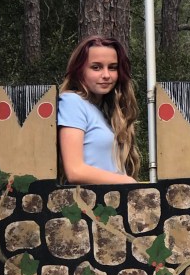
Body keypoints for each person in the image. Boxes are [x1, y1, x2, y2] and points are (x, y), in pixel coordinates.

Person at [57, 36, 140, 184]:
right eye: (96, 67)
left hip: (111, 197)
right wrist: (127, 182)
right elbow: (75, 171)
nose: (106, 75)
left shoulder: (104, 111)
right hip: (86, 198)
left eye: (112, 67)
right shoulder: (72, 102)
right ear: (79, 70)